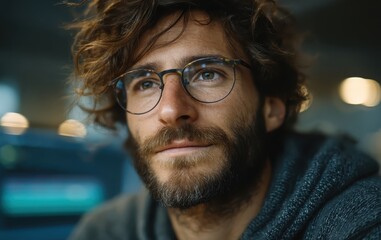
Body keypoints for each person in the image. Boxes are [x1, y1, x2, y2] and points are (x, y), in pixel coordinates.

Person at [68, 0, 381, 239]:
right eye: (145, 83)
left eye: (207, 73)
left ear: (271, 108)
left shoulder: (361, 222)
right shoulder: (104, 231)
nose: (171, 110)